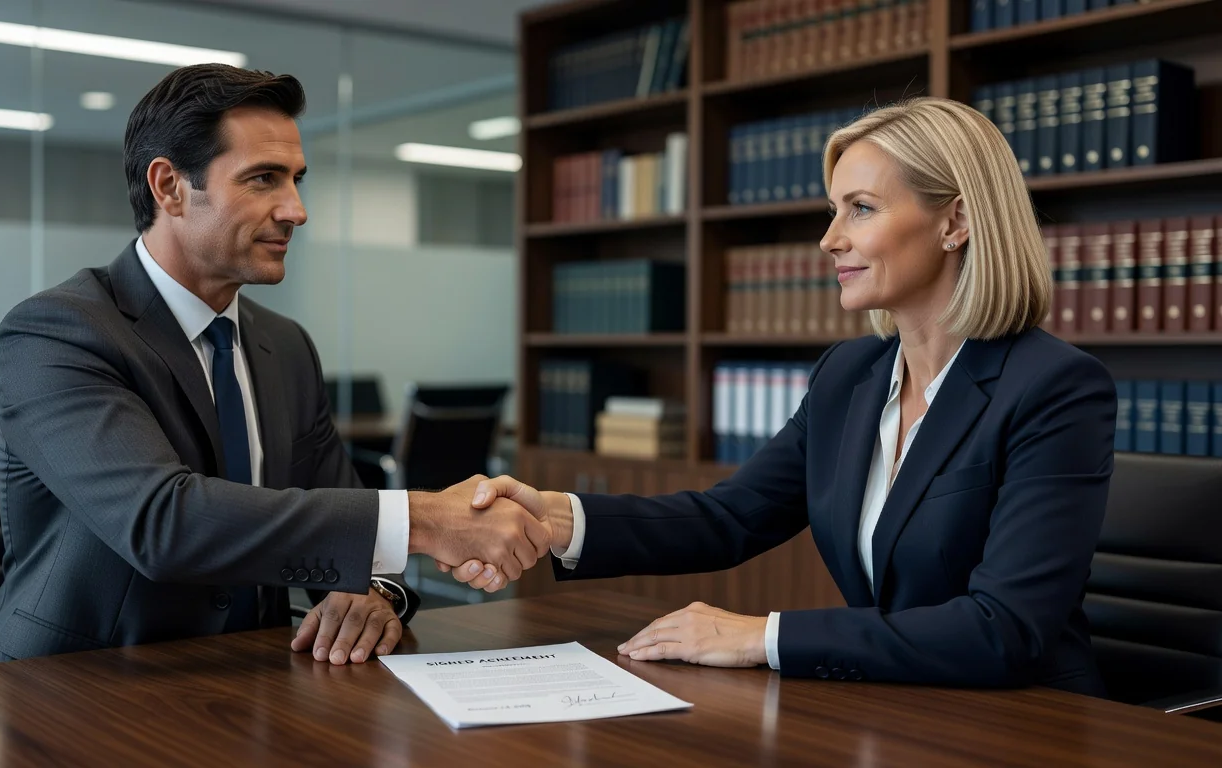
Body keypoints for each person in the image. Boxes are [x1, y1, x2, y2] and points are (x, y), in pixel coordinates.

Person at [446, 97, 1116, 696]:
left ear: (956, 223)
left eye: (861, 208)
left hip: (1029, 720)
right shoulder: (849, 375)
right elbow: (730, 517)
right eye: (834, 211)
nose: (830, 240)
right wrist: (554, 519)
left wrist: (760, 637)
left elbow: (1003, 629)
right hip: (897, 703)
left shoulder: (1053, 388)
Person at [0, 64, 549, 666]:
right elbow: (162, 522)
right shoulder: (56, 334)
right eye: (263, 179)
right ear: (169, 186)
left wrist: (372, 591)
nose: (296, 211)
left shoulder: (285, 346)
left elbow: (341, 512)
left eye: (297, 180)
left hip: (251, 678)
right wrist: (426, 520)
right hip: (77, 689)